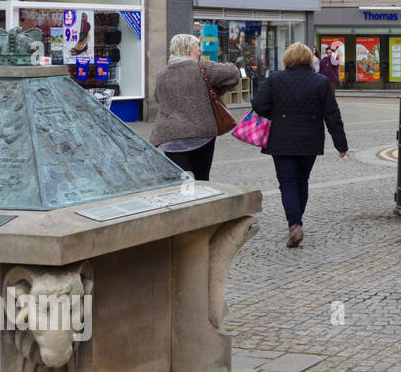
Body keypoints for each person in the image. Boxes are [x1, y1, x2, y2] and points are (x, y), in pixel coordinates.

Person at [251, 41, 349, 248]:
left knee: (287, 183)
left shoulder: (275, 79)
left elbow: (259, 105)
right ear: (308, 60)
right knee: (302, 180)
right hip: (309, 140)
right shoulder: (321, 82)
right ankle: (296, 221)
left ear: (288, 59)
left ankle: (294, 224)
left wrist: (275, 115)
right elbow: (332, 115)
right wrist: (341, 144)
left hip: (281, 139)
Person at [149, 33, 241, 181]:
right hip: (201, 134)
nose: (200, 52)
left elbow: (158, 98)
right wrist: (219, 89)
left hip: (170, 137)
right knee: (201, 179)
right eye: (198, 49)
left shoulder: (161, 74)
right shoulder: (202, 67)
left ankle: (183, 201)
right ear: (188, 51)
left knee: (180, 181)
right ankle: (201, 202)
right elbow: (233, 74)